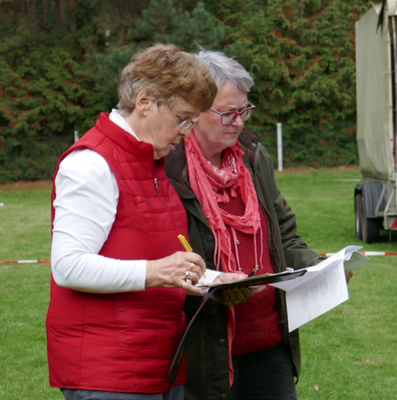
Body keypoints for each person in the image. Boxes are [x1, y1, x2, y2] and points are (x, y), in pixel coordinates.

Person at [164, 49, 354, 400]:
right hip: (206, 350)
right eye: (227, 113)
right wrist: (215, 283)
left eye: (244, 111)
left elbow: (284, 235)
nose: (239, 121)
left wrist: (321, 267)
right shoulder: (169, 169)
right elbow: (163, 259)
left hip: (270, 345)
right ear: (196, 109)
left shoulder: (253, 156)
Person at [47, 44, 224, 400]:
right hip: (108, 374)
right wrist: (158, 271)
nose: (187, 132)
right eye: (182, 118)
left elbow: (160, 259)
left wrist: (218, 282)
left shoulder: (153, 164)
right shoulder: (91, 164)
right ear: (144, 102)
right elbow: (67, 266)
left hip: (159, 366)